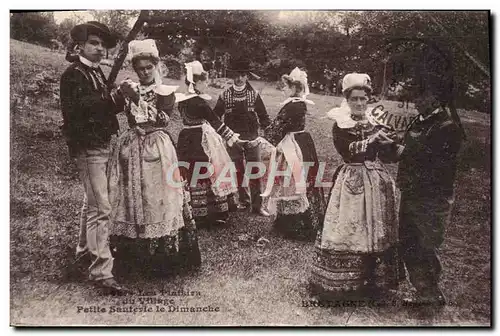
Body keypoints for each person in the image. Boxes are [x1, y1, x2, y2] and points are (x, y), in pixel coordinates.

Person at [107, 39, 201, 277]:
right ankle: (132, 254)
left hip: (157, 148)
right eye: (141, 68)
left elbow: (163, 120)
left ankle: (162, 256)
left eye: (149, 67)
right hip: (131, 148)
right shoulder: (129, 87)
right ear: (135, 69)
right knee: (132, 198)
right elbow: (109, 108)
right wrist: (119, 95)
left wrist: (137, 99)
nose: (145, 72)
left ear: (156, 66)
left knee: (157, 197)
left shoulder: (165, 91)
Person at [381, 45, 464, 306]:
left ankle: (430, 293)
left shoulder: (447, 126)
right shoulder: (420, 121)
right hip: (412, 191)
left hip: (432, 197)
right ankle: (422, 291)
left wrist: (404, 149)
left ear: (436, 98)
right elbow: (405, 151)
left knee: (426, 244)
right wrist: (389, 146)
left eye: (421, 96)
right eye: (416, 96)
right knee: (409, 241)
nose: (416, 101)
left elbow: (433, 161)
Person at [309, 73, 402, 300]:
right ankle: (342, 281)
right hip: (351, 181)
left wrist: (392, 143)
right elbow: (346, 149)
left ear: (368, 100)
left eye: (363, 99)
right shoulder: (341, 124)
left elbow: (390, 156)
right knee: (350, 227)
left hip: (377, 181)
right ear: (347, 100)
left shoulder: (375, 123)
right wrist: (372, 139)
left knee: (375, 227)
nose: (360, 103)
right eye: (355, 99)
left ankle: (373, 280)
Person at [59, 21, 129, 294]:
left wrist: (122, 97)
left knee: (92, 203)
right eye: (94, 44)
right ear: (80, 46)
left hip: (101, 144)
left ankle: (83, 252)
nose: (100, 49)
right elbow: (85, 110)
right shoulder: (73, 75)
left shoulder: (96, 72)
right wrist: (116, 97)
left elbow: (106, 108)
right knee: (101, 207)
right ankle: (101, 271)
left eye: (102, 45)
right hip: (87, 147)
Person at [176, 61, 246, 228]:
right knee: (207, 170)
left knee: (191, 170)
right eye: (204, 81)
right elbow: (216, 122)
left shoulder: (183, 100)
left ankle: (193, 209)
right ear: (197, 82)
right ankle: (211, 212)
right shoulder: (199, 102)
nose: (206, 84)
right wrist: (233, 139)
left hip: (185, 137)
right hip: (199, 139)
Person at [262, 67, 327, 241]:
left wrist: (265, 136)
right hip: (299, 142)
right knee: (291, 181)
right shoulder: (296, 104)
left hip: (294, 146)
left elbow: (277, 129)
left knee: (294, 180)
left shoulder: (294, 106)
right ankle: (288, 220)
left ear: (295, 88)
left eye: (286, 86)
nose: (283, 89)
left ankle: (298, 224)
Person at [214, 58, 272, 216]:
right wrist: (222, 135)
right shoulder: (224, 95)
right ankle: (244, 201)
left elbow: (264, 117)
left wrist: (268, 134)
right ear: (232, 76)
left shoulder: (254, 95)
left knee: (255, 171)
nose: (239, 79)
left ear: (247, 76)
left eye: (242, 75)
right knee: (237, 171)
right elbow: (215, 117)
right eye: (236, 75)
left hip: (252, 138)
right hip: (233, 139)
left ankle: (258, 205)